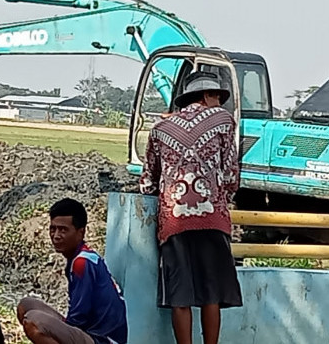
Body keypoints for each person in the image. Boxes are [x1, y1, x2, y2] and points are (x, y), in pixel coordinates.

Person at [139, 71, 242, 344]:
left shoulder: (161, 128)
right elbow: (231, 174)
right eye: (218, 97)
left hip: (174, 221)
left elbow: (148, 180)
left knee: (179, 295)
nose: (220, 103)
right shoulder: (223, 120)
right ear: (207, 96)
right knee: (211, 293)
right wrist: (222, 198)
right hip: (212, 219)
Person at [17, 198, 127, 344]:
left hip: (102, 339)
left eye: (63, 230)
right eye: (53, 229)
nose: (56, 236)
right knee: (26, 305)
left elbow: (79, 317)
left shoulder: (82, 263)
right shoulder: (80, 257)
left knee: (34, 323)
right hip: (90, 332)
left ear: (81, 232)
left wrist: (62, 330)